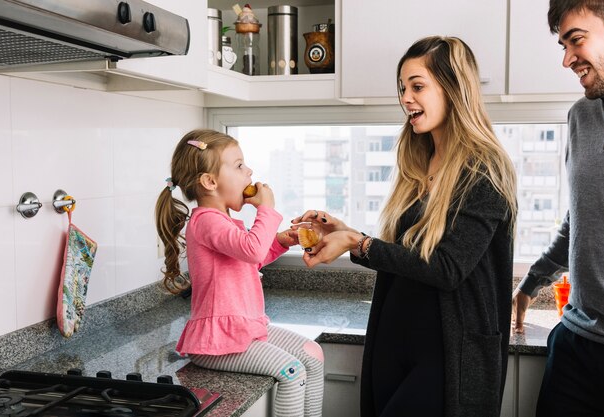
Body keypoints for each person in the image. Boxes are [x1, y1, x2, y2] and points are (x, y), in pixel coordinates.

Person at [293, 36, 517, 417]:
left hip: (447, 354)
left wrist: (359, 244)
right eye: (402, 88)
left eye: (417, 86)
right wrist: (346, 233)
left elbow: (446, 269)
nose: (406, 98)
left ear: (453, 88)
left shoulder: (484, 173)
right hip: (395, 339)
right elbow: (411, 254)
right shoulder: (419, 160)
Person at [155, 129, 324, 417]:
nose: (250, 171)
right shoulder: (206, 222)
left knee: (313, 355)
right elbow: (252, 250)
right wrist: (266, 209)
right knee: (292, 371)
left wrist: (281, 240)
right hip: (216, 342)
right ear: (209, 181)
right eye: (239, 165)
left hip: (242, 330)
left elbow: (249, 260)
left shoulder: (224, 221)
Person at [511, 1, 604, 415]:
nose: (566, 59)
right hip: (576, 348)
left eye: (576, 39)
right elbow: (582, 217)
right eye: (562, 44)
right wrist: (531, 283)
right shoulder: (581, 117)